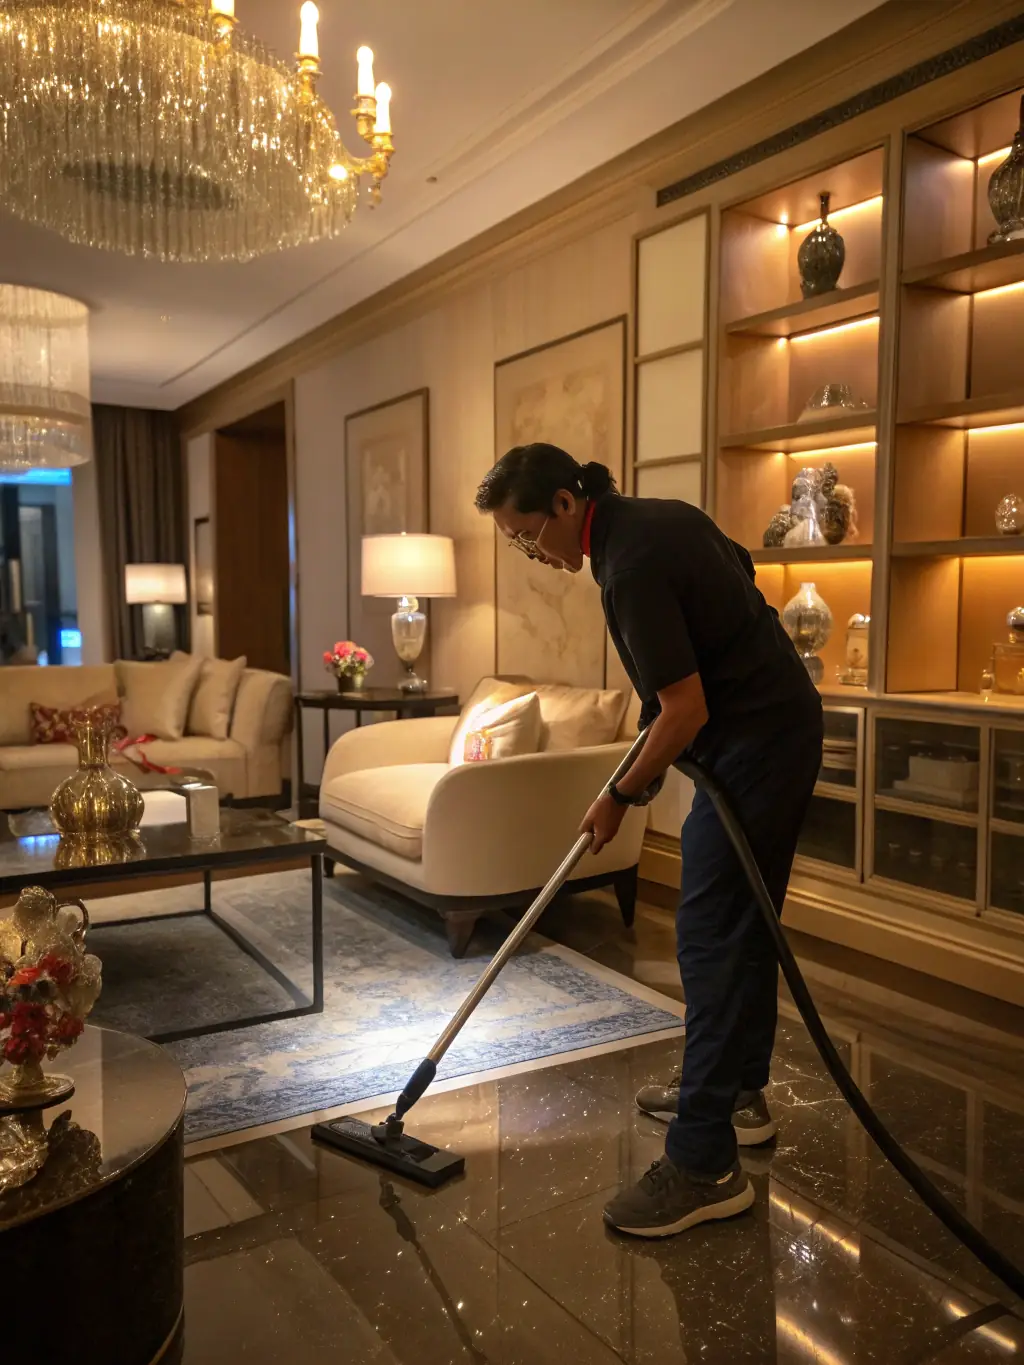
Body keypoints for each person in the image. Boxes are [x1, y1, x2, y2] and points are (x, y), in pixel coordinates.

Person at [474, 443, 823, 1239]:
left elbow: (684, 707)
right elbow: (739, 582)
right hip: (775, 729)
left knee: (708, 933)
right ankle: (736, 1096)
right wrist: (635, 776)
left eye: (529, 536)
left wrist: (621, 792)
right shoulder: (655, 522)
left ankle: (702, 1163)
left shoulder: (626, 564)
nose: (534, 554)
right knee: (745, 924)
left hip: (756, 747)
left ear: (565, 503)